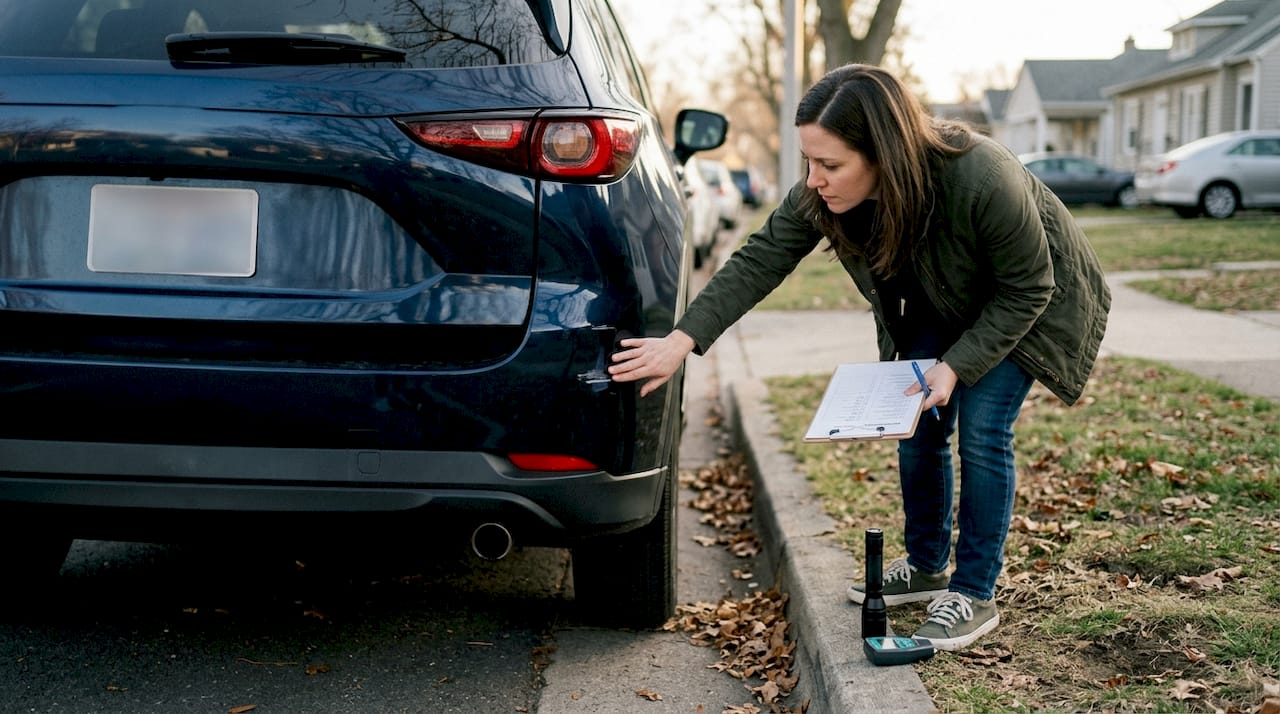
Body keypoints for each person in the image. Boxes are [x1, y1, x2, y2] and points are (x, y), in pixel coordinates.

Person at [608, 64, 1110, 651]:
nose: (815, 179)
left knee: (981, 429)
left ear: (884, 154)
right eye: (809, 163)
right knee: (915, 422)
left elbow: (1029, 287)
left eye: (831, 164)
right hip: (938, 301)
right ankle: (927, 566)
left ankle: (973, 594)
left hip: (1024, 306)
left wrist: (954, 367)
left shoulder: (981, 173)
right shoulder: (823, 194)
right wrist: (682, 340)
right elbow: (760, 259)